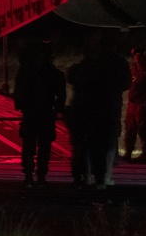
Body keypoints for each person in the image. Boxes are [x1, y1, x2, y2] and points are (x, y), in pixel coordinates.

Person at [66, 32, 131, 190]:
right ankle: (102, 177)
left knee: (87, 146)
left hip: (90, 110)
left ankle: (85, 176)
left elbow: (72, 76)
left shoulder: (89, 64)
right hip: (108, 109)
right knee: (105, 145)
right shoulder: (117, 63)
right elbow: (126, 84)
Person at [13, 40, 66, 188]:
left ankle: (30, 175)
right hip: (45, 113)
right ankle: (40, 175)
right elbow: (61, 95)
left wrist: (21, 105)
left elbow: (18, 93)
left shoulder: (25, 72)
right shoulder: (54, 73)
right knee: (43, 146)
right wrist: (58, 109)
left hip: (31, 112)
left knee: (30, 145)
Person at [123, 46, 146, 164]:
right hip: (132, 105)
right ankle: (128, 153)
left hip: (142, 105)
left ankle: (144, 153)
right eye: (135, 55)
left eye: (139, 55)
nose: (137, 57)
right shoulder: (133, 69)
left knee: (143, 130)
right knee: (129, 129)